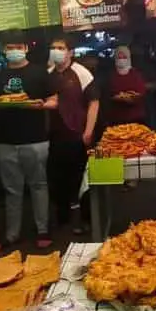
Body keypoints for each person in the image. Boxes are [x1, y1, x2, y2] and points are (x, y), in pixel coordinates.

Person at [0, 32, 57, 250]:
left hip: (35, 139)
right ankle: (12, 233)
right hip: (5, 141)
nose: (14, 50)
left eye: (18, 46)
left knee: (39, 185)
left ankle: (43, 229)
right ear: (4, 50)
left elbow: (54, 100)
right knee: (12, 190)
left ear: (26, 48)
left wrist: (39, 105)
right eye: (9, 47)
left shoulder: (39, 73)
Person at [47, 37, 99, 232]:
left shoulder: (81, 72)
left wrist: (89, 130)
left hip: (77, 134)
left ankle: (85, 221)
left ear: (70, 52)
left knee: (81, 181)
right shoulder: (49, 74)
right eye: (53, 47)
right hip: (54, 136)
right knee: (57, 180)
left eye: (61, 48)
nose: (56, 51)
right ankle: (63, 219)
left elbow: (94, 102)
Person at [108, 46, 147, 125]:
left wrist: (132, 97)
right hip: (117, 117)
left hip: (136, 116)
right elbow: (108, 93)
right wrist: (119, 98)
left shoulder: (136, 74)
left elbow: (142, 91)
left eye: (124, 57)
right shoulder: (111, 75)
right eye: (119, 57)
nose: (121, 60)